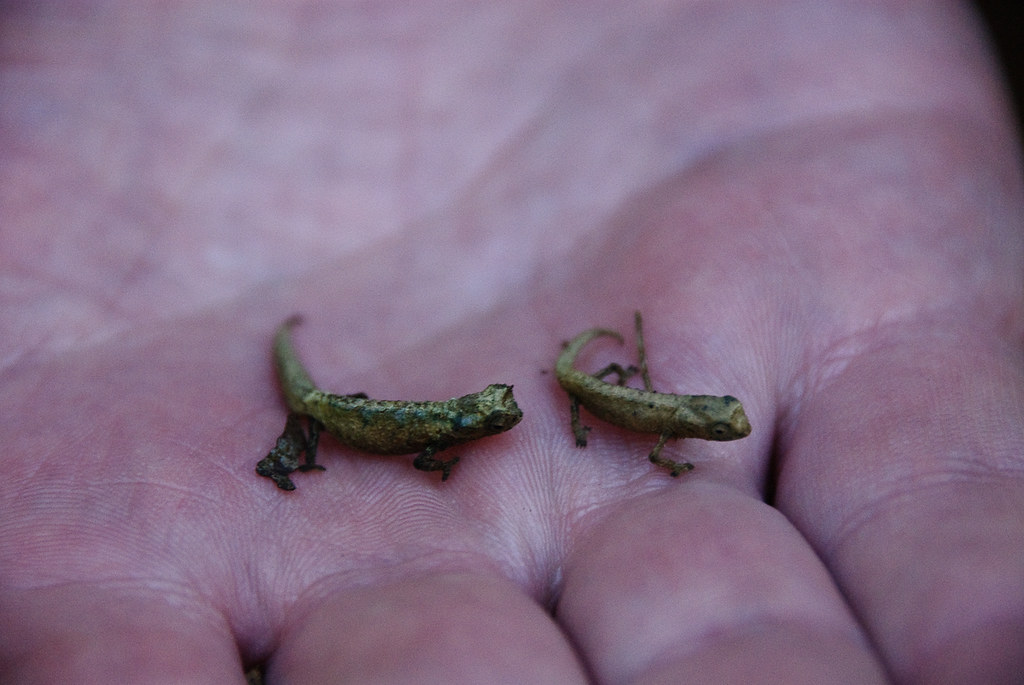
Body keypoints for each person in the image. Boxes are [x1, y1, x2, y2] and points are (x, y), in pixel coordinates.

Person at [1, 2, 1021, 682]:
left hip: (446, 399)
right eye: (492, 414)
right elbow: (416, 430)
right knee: (313, 417)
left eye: (492, 415)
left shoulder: (496, 423)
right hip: (328, 416)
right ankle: (292, 435)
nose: (497, 421)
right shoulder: (431, 432)